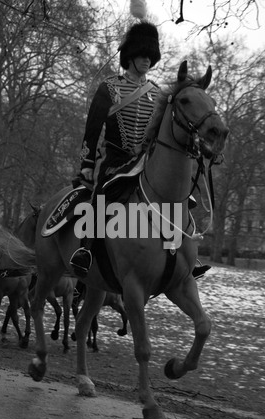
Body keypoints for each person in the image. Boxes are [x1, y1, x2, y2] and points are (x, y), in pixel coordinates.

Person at [70, 21, 210, 280]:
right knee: (101, 196)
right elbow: (92, 130)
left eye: (150, 56)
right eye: (141, 55)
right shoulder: (110, 88)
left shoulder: (156, 92)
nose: (147, 60)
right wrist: (87, 164)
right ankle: (85, 250)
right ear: (130, 57)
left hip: (146, 160)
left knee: (178, 197)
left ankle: (185, 254)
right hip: (114, 160)